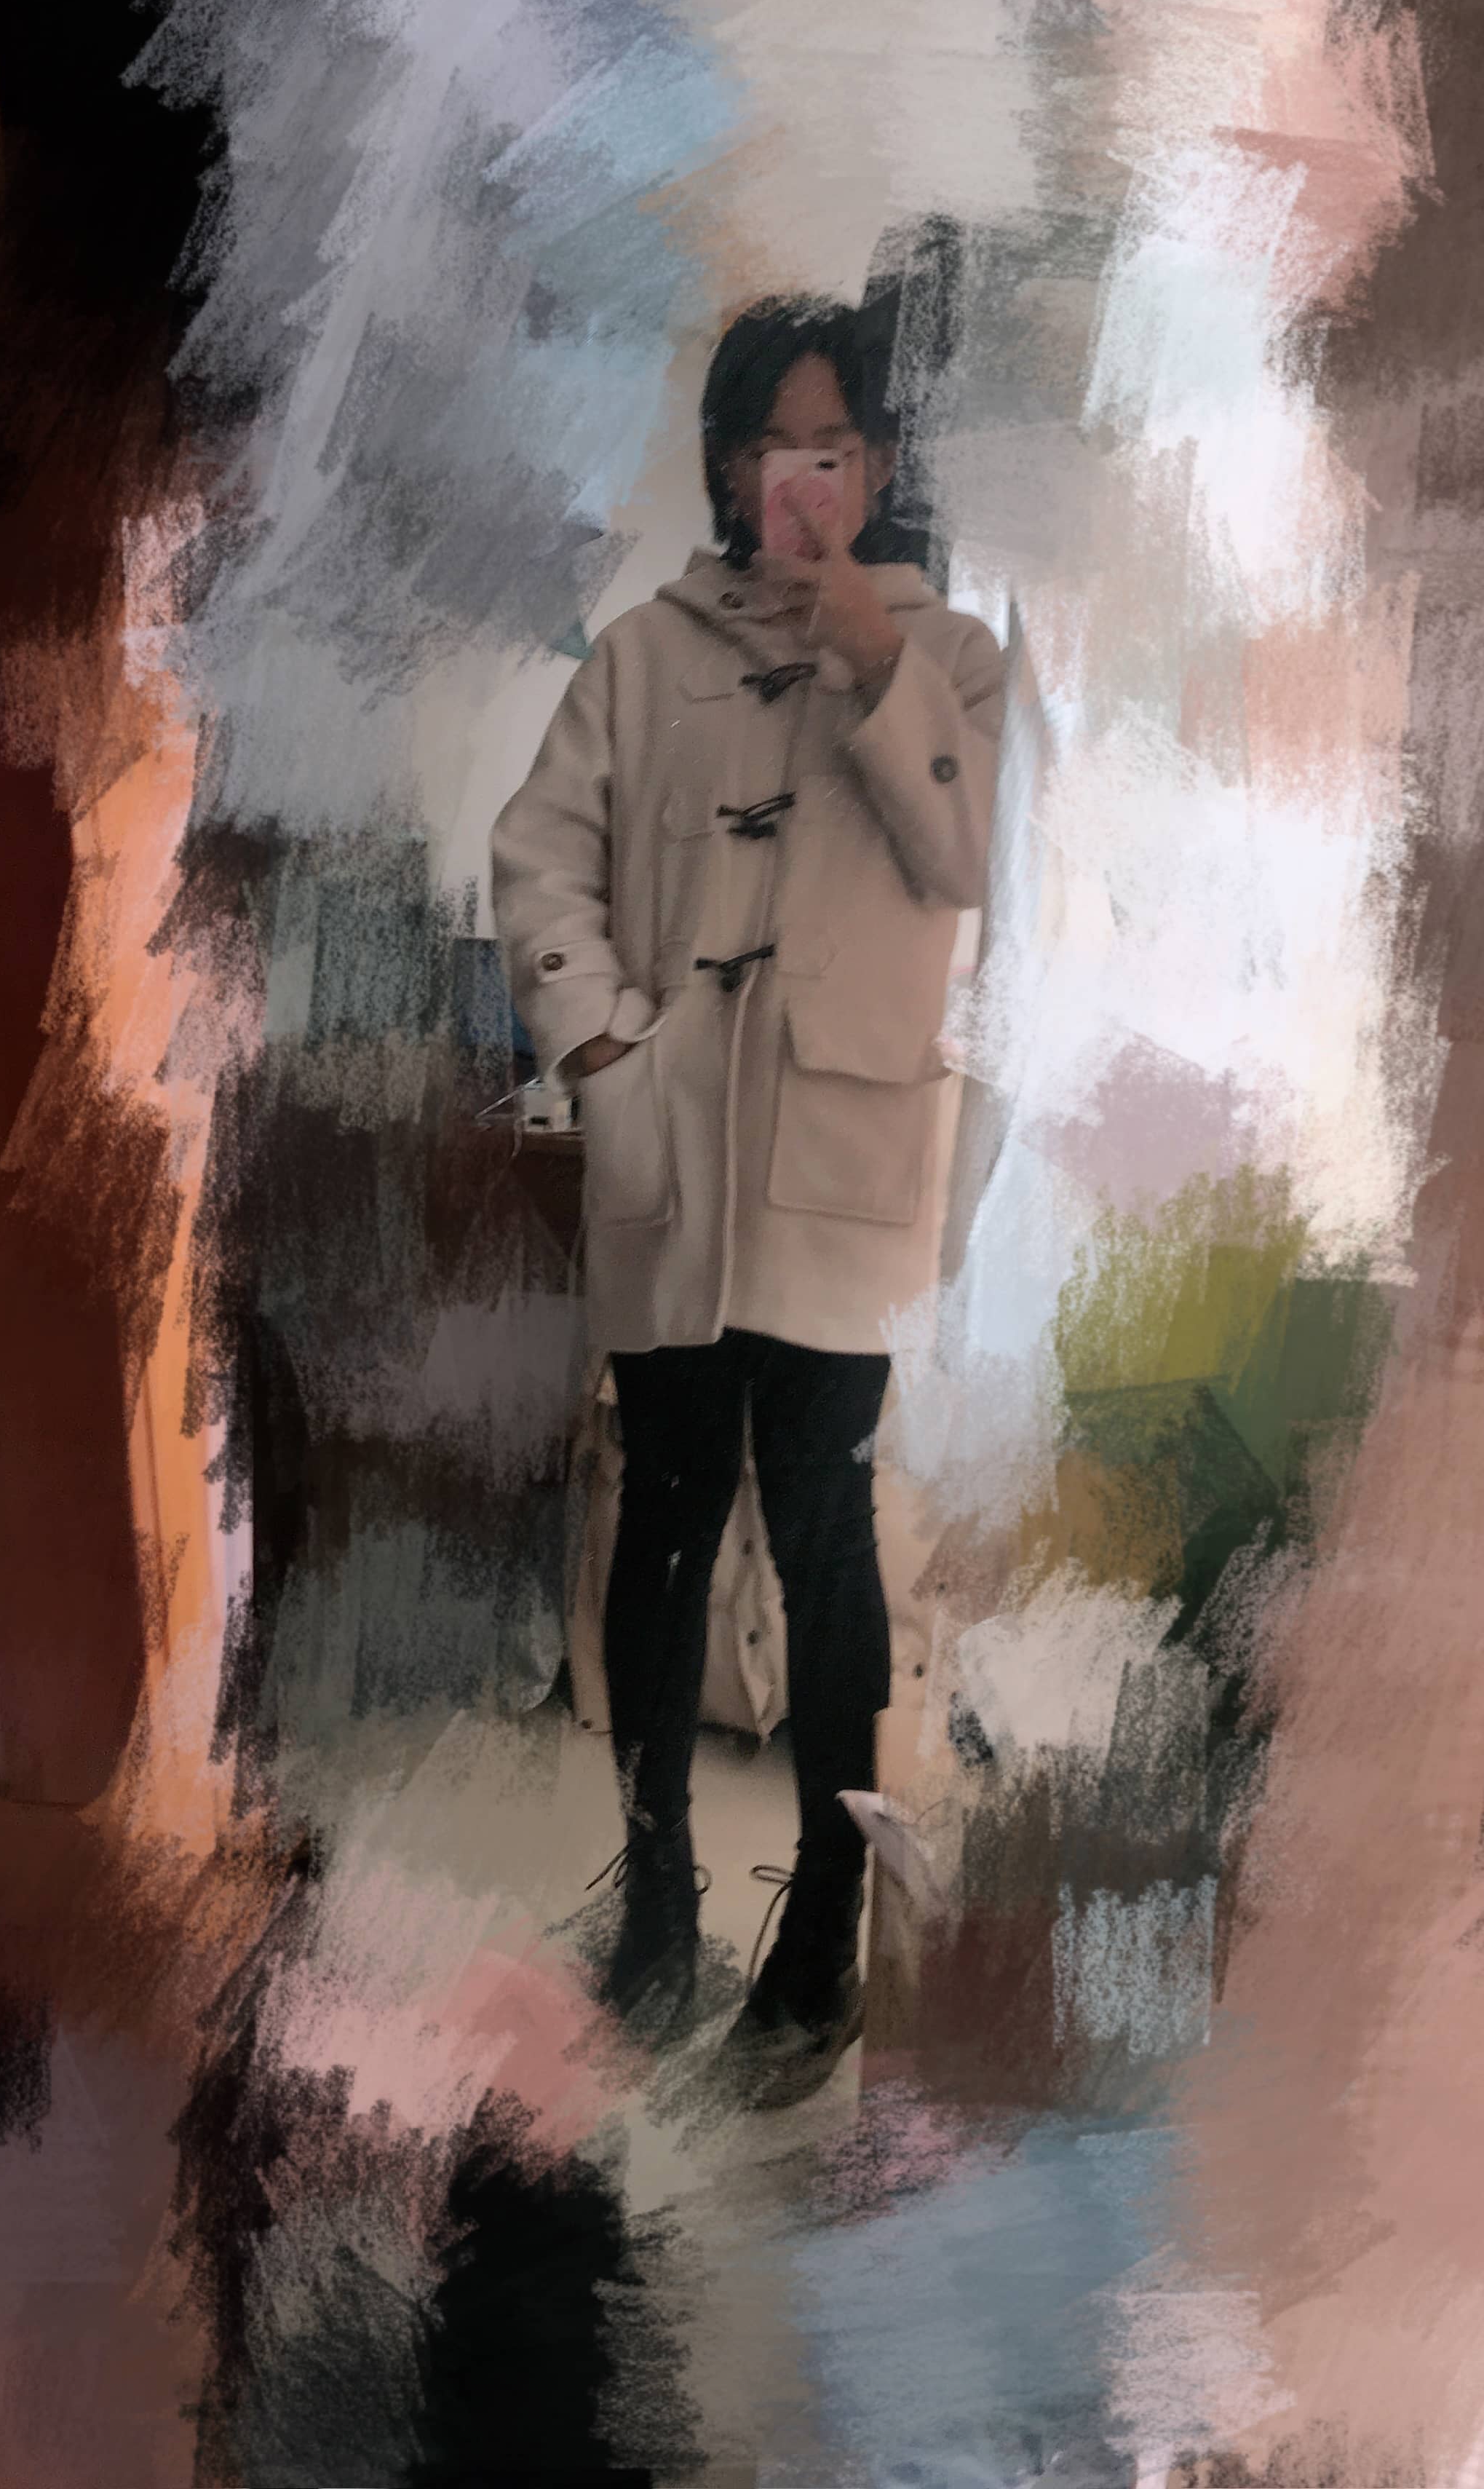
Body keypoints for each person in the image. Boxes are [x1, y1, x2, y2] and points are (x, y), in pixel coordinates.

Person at [492, 296, 1004, 2108]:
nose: (806, 476)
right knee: (659, 1520)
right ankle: (657, 1896)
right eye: (777, 445)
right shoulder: (641, 657)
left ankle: (823, 1934)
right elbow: (537, 855)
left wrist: (871, 659)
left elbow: (967, 855)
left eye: (836, 444)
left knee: (828, 1532)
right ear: (728, 467)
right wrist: (605, 1053)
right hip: (673, 1160)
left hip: (843, 1182)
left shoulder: (955, 658)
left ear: (879, 464)